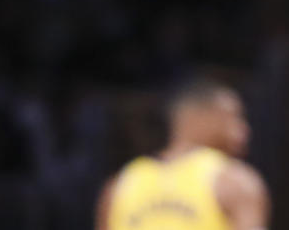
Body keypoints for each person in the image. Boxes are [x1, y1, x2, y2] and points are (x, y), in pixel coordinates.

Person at [95, 79, 270, 230]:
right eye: (235, 118)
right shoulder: (235, 182)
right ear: (202, 117)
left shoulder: (120, 186)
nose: (244, 132)